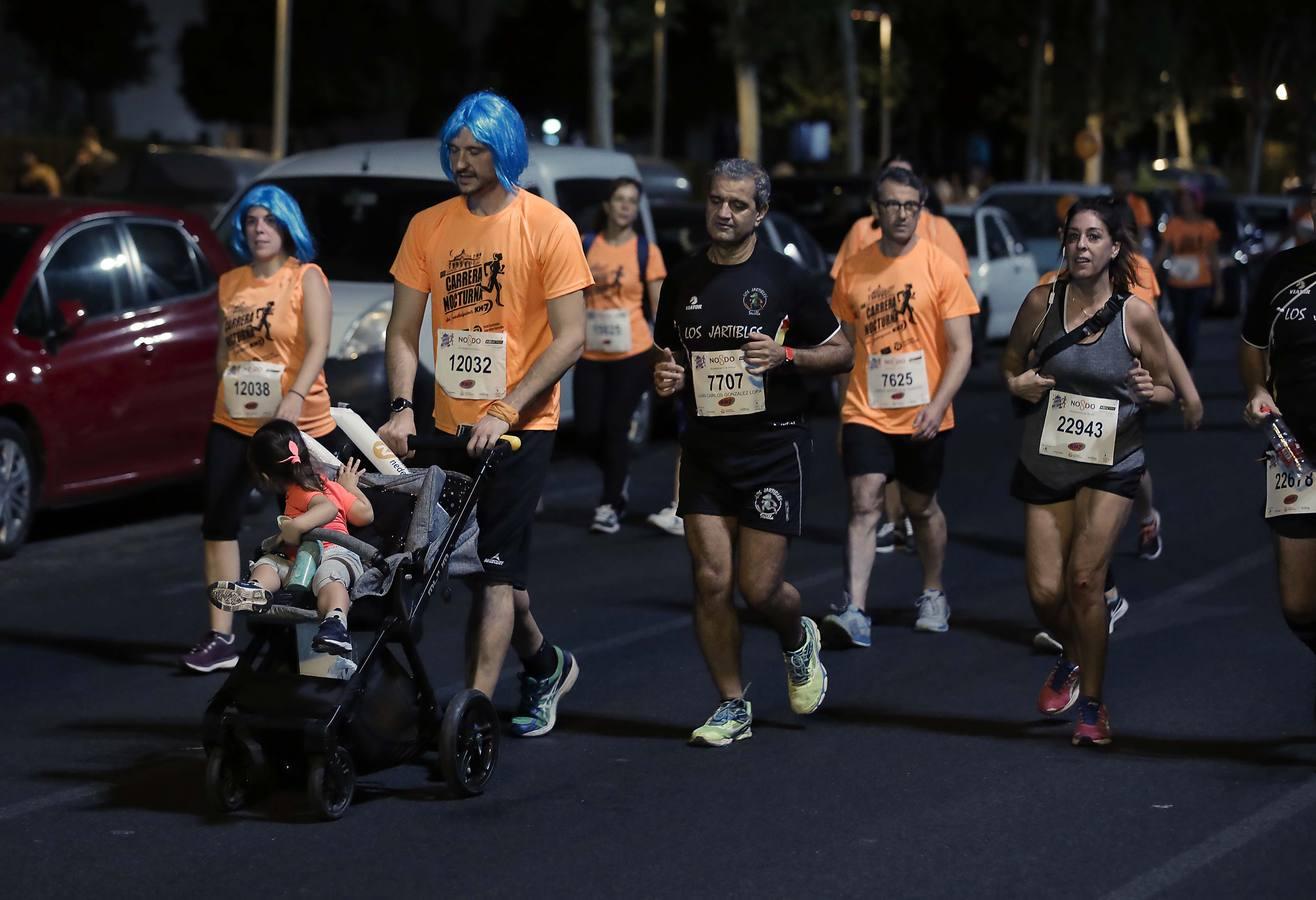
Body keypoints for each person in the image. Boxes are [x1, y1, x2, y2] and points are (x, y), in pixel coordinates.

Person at [378, 91, 591, 738]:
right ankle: (545, 662)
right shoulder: (429, 226)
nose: (462, 161)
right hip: (449, 424)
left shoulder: (547, 227)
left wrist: (507, 409)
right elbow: (403, 331)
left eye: (477, 150)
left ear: (507, 151)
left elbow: (571, 337)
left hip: (522, 430)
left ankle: (470, 715)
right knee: (477, 569)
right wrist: (400, 408)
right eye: (455, 149)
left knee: (496, 570)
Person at [652, 158, 852, 746]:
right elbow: (668, 357)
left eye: (737, 205)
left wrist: (785, 358)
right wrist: (667, 376)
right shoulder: (682, 280)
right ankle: (731, 704)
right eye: (716, 201)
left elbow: (842, 353)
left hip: (774, 445)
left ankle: (798, 637)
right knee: (712, 579)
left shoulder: (786, 279)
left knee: (759, 589)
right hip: (708, 446)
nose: (723, 213)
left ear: (760, 213)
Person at [1002, 197, 1174, 746]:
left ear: (1114, 248)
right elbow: (1009, 366)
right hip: (1047, 458)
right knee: (1044, 592)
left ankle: (1094, 708)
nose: (1082, 246)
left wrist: (1156, 392)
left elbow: (1165, 387)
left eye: (1095, 236)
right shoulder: (1038, 303)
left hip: (1113, 459)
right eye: (1074, 236)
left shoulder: (1135, 315)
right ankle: (1074, 654)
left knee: (1084, 581)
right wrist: (1019, 384)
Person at [182, 184, 341, 674]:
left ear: (286, 226)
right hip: (234, 420)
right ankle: (220, 634)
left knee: (304, 526)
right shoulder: (231, 284)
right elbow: (224, 353)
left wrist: (292, 398)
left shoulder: (306, 277)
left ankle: (311, 637)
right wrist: (227, 390)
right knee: (218, 521)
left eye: (269, 221)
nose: (258, 229)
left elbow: (318, 344)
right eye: (251, 221)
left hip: (298, 421)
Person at [822, 166, 978, 648]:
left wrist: (938, 404)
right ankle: (856, 608)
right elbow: (844, 347)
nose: (902, 214)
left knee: (921, 506)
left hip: (924, 412)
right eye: (892, 205)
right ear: (876, 210)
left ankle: (933, 590)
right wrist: (842, 411)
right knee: (864, 502)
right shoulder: (854, 269)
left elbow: (962, 348)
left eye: (911, 205)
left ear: (921, 209)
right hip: (867, 408)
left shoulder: (940, 267)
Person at [208, 422, 374, 663]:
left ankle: (336, 621)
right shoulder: (334, 486)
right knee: (271, 563)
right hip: (302, 560)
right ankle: (254, 591)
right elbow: (366, 514)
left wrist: (296, 526)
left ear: (265, 476)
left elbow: (325, 509)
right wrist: (351, 489)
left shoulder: (302, 490)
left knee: (327, 576)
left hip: (333, 551)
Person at [1240, 188, 1316, 710]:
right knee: (1298, 603)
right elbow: (1253, 347)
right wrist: (1257, 390)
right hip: (1294, 454)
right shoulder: (1281, 270)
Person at [575, 177, 667, 534]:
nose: (626, 206)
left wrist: (664, 354)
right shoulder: (587, 245)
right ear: (607, 205)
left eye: (632, 200)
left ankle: (610, 504)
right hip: (590, 352)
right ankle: (619, 472)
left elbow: (659, 310)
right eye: (619, 199)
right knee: (586, 432)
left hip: (633, 352)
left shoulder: (647, 252)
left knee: (615, 426)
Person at [1154, 183, 1221, 368]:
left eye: (1188, 201)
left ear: (1196, 202)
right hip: (1177, 282)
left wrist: (1219, 288)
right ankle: (1180, 363)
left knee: (1191, 325)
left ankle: (1186, 366)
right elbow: (1162, 251)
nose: (1184, 204)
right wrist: (1149, 270)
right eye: (1182, 201)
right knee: (1181, 324)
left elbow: (1214, 258)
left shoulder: (1207, 226)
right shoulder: (1174, 225)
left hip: (1200, 283)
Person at [63, 126, 118, 196]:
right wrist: (77, 164)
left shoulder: (104, 157)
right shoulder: (76, 157)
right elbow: (66, 180)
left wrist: (99, 153)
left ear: (97, 141)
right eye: (85, 139)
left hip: (103, 197)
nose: (87, 144)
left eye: (91, 139)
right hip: (78, 197)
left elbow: (114, 163)